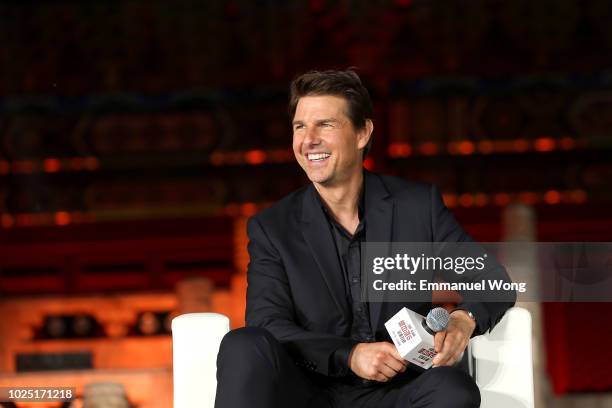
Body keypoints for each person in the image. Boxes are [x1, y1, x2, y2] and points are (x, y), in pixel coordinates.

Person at [214, 69, 516, 408]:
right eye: (300, 127)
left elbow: (492, 280)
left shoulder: (417, 208)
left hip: (397, 391)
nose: (308, 139)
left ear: (362, 133)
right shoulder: (272, 227)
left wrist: (464, 320)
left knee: (453, 389)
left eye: (325, 124)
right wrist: (350, 355)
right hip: (310, 393)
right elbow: (270, 324)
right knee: (243, 343)